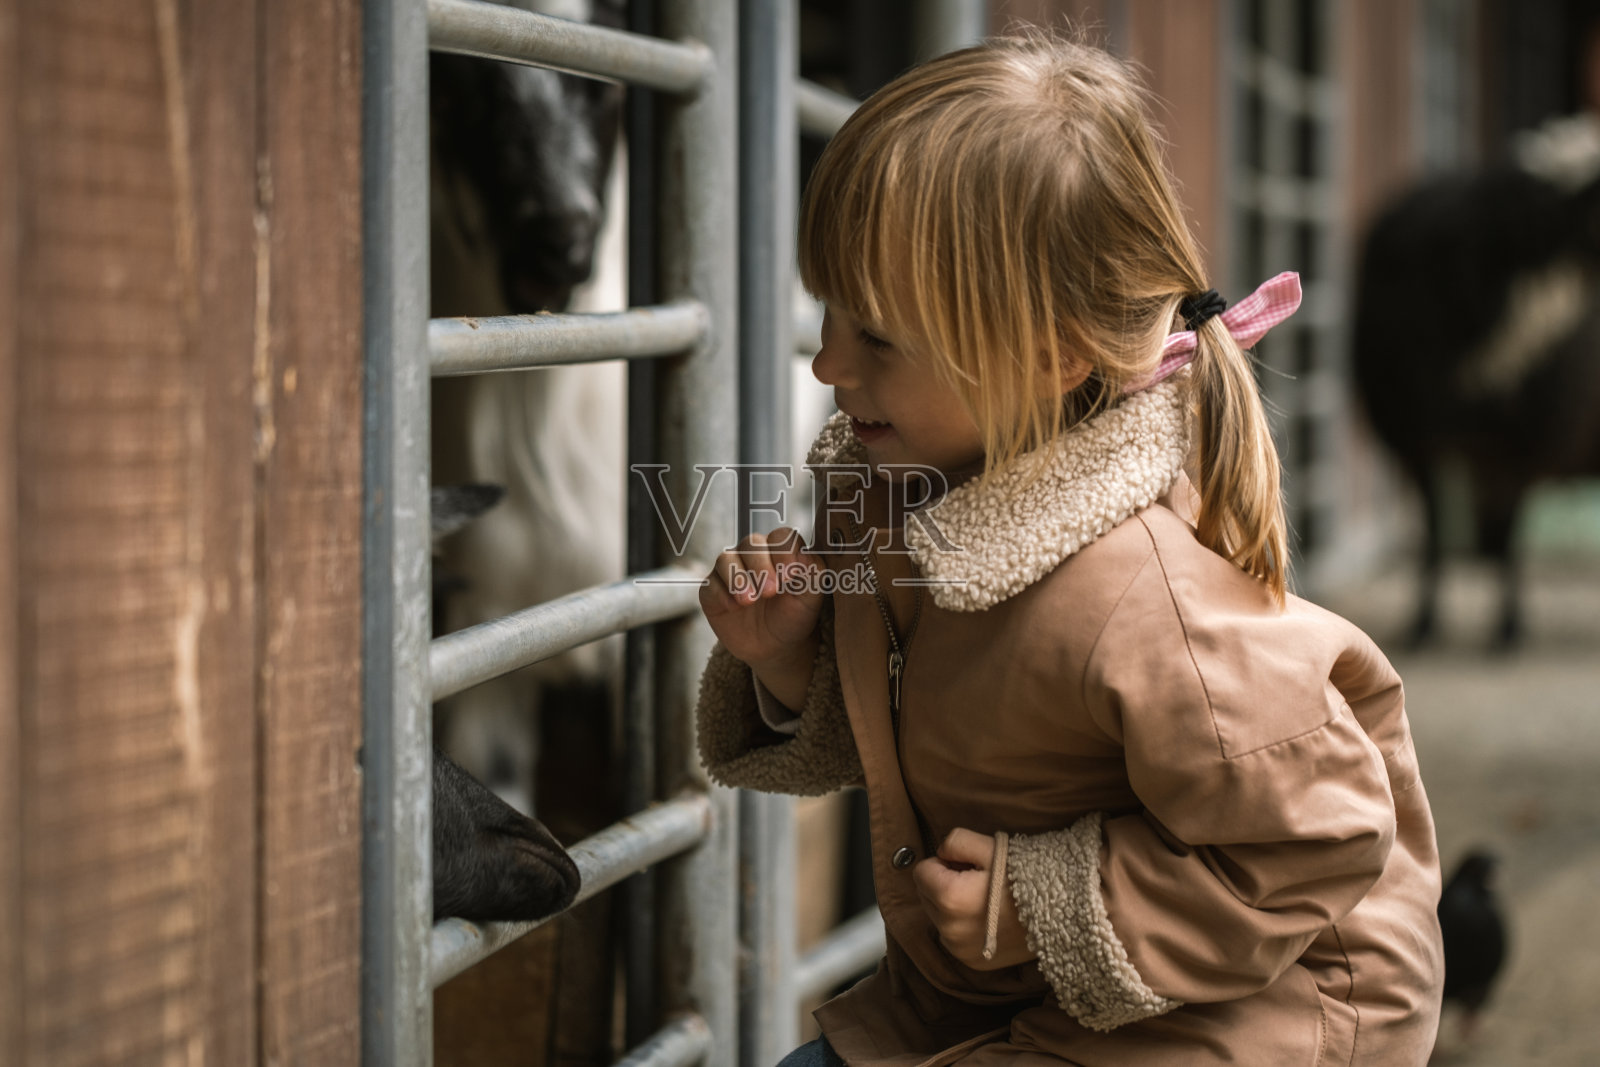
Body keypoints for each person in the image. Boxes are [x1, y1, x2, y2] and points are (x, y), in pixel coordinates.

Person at [694, 33, 1444, 1067]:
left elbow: (1325, 834)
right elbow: (932, 700)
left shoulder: (1146, 594)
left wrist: (1035, 904)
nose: (825, 362)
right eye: (830, 312)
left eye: (878, 336)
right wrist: (789, 663)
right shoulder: (910, 492)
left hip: (1256, 1011)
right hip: (1017, 987)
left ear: (1050, 356)